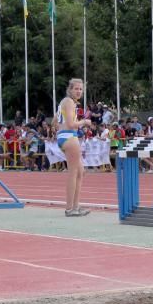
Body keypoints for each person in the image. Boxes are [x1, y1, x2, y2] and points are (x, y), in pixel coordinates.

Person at [55, 78, 93, 216]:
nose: (78, 91)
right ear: (70, 89)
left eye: (80, 89)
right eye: (76, 88)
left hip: (64, 137)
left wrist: (60, 130)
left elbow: (55, 120)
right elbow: (71, 124)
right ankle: (70, 208)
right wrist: (85, 121)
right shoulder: (69, 102)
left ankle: (75, 207)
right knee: (73, 173)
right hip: (69, 137)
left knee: (80, 172)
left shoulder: (64, 103)